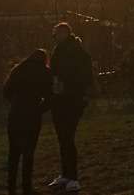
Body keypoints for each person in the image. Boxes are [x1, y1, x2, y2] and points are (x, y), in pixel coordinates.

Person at [46, 22, 93, 193]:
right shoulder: (59, 50)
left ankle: (73, 177)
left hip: (72, 100)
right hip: (60, 100)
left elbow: (85, 75)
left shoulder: (75, 51)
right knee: (63, 139)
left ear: (65, 33)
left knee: (67, 137)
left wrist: (80, 93)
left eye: (59, 33)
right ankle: (66, 174)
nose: (56, 36)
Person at [4, 49, 53, 195]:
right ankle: (27, 186)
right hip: (32, 115)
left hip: (15, 113)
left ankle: (11, 186)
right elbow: (50, 97)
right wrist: (39, 109)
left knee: (13, 152)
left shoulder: (18, 69)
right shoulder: (45, 72)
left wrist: (15, 103)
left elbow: (6, 91)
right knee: (29, 152)